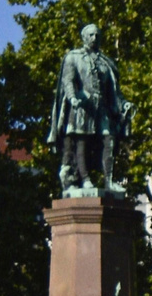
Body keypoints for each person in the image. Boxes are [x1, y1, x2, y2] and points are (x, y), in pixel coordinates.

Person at [48, 23, 131, 195]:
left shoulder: (106, 63)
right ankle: (84, 179)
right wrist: (73, 98)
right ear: (84, 37)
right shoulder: (73, 57)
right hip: (82, 108)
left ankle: (109, 180)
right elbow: (68, 81)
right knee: (81, 143)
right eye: (91, 35)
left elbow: (114, 91)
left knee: (110, 139)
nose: (95, 38)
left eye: (97, 35)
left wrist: (124, 104)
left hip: (102, 108)